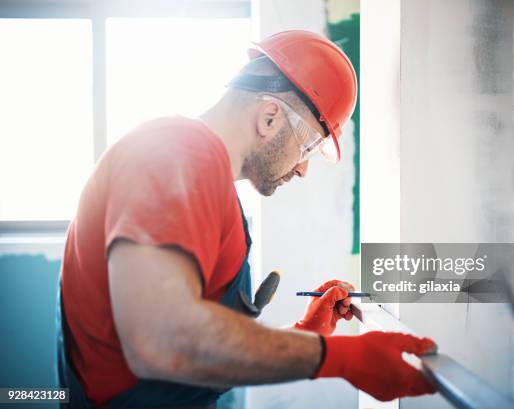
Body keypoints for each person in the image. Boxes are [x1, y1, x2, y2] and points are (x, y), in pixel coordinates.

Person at [56, 30, 437, 408]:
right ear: (270, 118)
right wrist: (341, 358)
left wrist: (308, 335)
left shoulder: (200, 174)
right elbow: (162, 340)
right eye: (308, 146)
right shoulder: (177, 153)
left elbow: (195, 356)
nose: (303, 169)